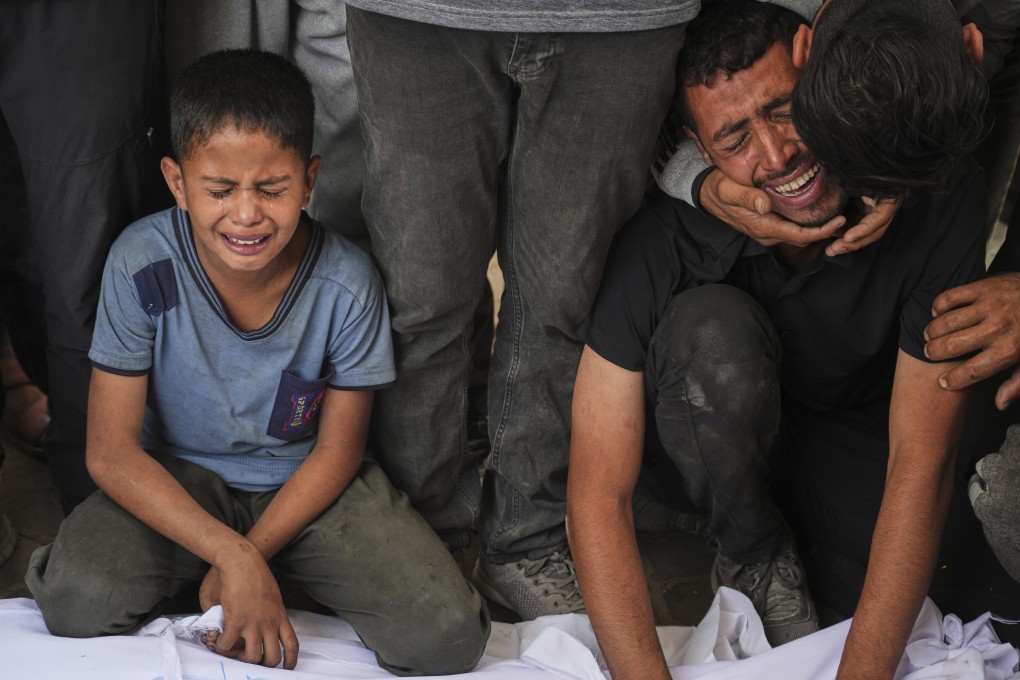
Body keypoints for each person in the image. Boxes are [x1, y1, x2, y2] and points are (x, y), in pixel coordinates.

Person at [568, 4, 1017, 680]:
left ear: (820, 79)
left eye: (784, 110)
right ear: (698, 149)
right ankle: (747, 544)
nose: (777, 156)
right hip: (710, 446)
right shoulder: (665, 233)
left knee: (972, 591)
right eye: (735, 139)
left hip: (850, 434)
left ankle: (798, 539)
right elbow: (597, 490)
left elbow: (918, 456)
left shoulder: (922, 190)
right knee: (712, 338)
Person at [24, 50, 488, 675]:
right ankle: (231, 578)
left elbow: (339, 452)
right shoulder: (142, 263)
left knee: (447, 638)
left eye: (272, 189)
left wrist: (253, 551)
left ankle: (257, 577)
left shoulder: (346, 283)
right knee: (74, 601)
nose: (246, 214)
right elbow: (110, 453)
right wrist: (233, 557)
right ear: (177, 181)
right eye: (219, 189)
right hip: (177, 482)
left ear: (310, 179)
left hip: (304, 491)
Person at [344, 1, 693, 618]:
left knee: (564, 298)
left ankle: (526, 542)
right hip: (416, 12)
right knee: (420, 298)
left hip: (625, 18)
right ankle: (426, 535)